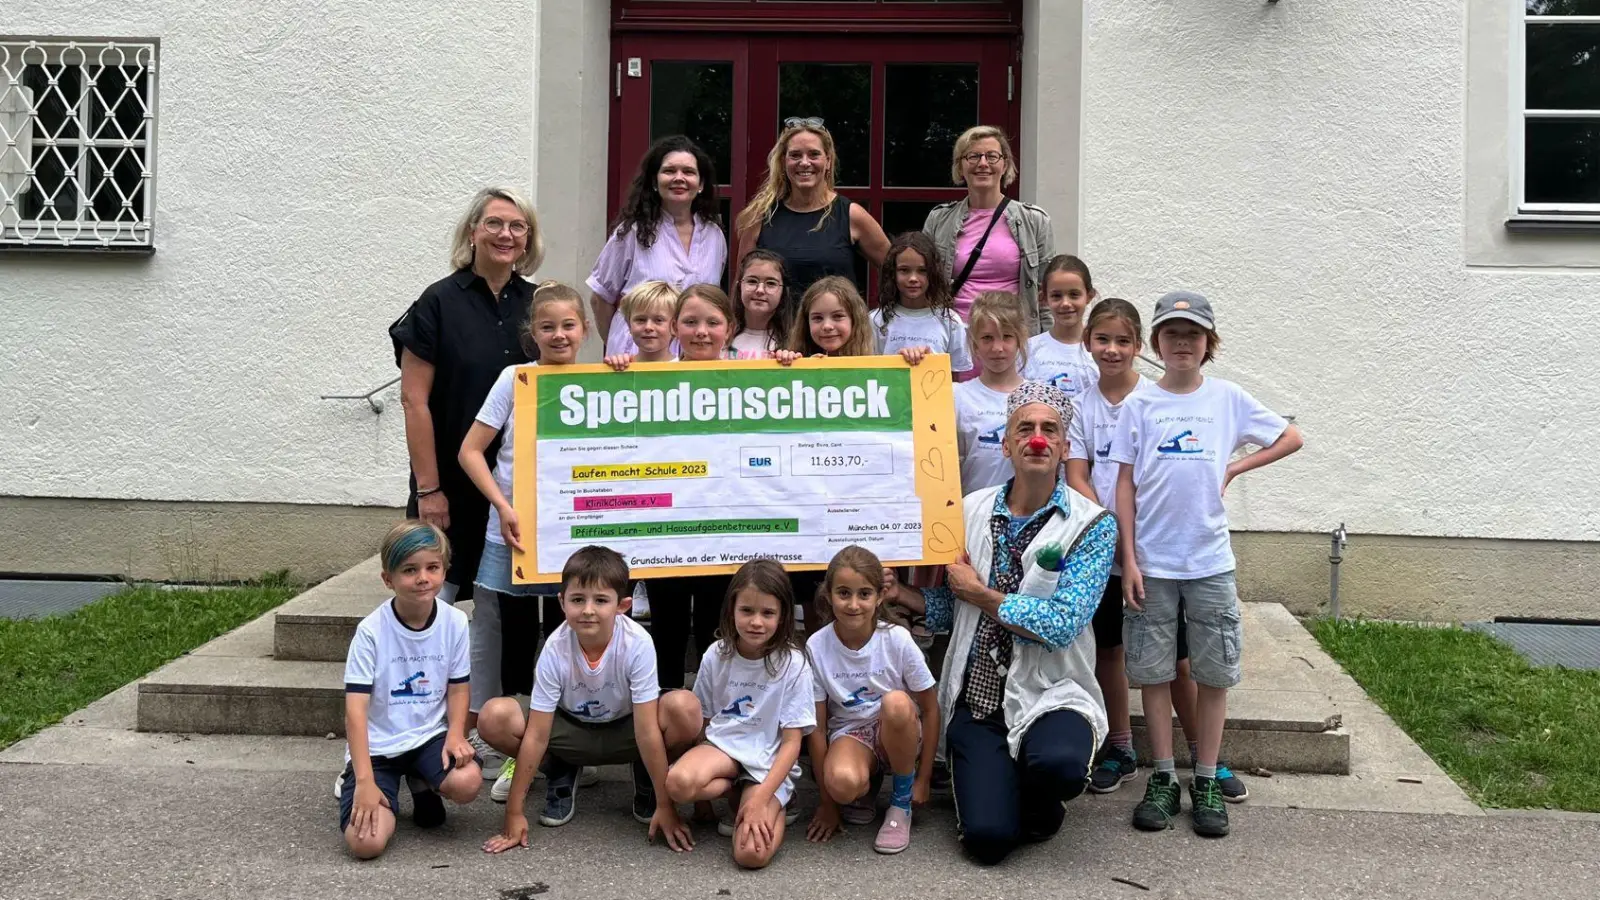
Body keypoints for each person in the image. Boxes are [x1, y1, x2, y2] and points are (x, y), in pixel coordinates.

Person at [884, 381, 1116, 866]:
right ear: (1007, 444)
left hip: (1052, 691)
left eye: (1049, 429)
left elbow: (1060, 624)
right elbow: (955, 610)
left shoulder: (1093, 524)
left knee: (1058, 766)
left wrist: (980, 593)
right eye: (1025, 429)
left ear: (1064, 446)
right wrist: (901, 595)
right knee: (988, 842)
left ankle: (1038, 792)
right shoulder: (967, 510)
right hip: (980, 701)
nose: (1038, 438)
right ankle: (1001, 782)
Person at [1111, 291, 1303, 838]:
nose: (1182, 344)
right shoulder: (1140, 406)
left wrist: (1237, 468)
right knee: (1153, 669)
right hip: (1153, 559)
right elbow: (1124, 482)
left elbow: (1291, 437)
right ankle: (1164, 776)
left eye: (1193, 335)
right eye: (1171, 334)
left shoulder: (1227, 399)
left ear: (1208, 344)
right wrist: (1129, 557)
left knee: (1214, 671)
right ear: (1156, 344)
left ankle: (1205, 777)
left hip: (1209, 560)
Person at [391, 186, 542, 773]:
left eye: (519, 227)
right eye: (496, 224)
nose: (508, 236)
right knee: (432, 606)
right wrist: (429, 489)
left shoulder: (538, 303)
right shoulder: (438, 302)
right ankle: (403, 731)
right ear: (473, 231)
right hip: (448, 488)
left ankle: (489, 732)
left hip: (514, 491)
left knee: (504, 616)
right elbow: (413, 399)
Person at [479, 546, 704, 853]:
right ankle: (560, 770)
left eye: (600, 600)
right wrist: (514, 813)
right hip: (570, 732)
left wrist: (667, 805)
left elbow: (648, 730)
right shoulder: (556, 647)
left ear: (623, 605)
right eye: (577, 599)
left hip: (629, 732)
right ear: (561, 602)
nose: (587, 610)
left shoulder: (637, 643)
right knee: (494, 716)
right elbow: (537, 733)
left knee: (685, 708)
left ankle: (648, 777)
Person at [457, 281, 586, 768]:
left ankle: (562, 752)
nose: (558, 335)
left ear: (584, 330)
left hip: (570, 537)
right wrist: (502, 506)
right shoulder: (515, 378)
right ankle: (516, 748)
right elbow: (470, 451)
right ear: (532, 333)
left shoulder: (599, 378)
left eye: (568, 325)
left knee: (564, 640)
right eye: (547, 327)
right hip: (513, 532)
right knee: (514, 642)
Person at [604, 284, 739, 689]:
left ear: (729, 330)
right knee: (667, 629)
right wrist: (611, 375)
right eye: (691, 322)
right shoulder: (643, 377)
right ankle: (660, 729)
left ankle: (712, 723)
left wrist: (790, 360)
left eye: (712, 323)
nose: (701, 332)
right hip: (665, 533)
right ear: (675, 329)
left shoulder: (751, 377)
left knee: (719, 632)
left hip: (723, 534)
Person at [338, 521, 481, 859]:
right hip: (378, 748)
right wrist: (364, 781)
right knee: (366, 844)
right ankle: (376, 782)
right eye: (409, 570)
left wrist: (456, 734)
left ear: (444, 571)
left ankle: (421, 781)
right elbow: (355, 712)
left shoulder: (455, 621)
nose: (423, 578)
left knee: (468, 782)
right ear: (388, 579)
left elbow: (458, 687)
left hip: (427, 737)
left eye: (433, 567)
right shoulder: (371, 632)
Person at [666, 559, 815, 870]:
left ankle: (774, 802)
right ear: (731, 609)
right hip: (723, 749)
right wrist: (702, 801)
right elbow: (704, 723)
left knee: (751, 854)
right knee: (678, 783)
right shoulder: (716, 654)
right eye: (747, 610)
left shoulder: (794, 663)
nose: (756, 622)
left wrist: (762, 798)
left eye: (767, 613)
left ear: (783, 615)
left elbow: (791, 744)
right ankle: (735, 790)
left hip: (767, 762)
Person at [1063, 298, 1153, 794]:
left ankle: (1206, 758)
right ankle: (1120, 745)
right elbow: (1077, 472)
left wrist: (1132, 536)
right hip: (1101, 544)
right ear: (1088, 343)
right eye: (1103, 340)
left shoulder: (1156, 400)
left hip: (1151, 545)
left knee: (1173, 655)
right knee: (1110, 648)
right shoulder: (1081, 404)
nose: (1112, 350)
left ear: (1138, 346)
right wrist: (1106, 528)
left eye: (1123, 341)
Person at [804, 546, 939, 855]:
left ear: (880, 596)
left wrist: (924, 779)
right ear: (828, 594)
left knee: (896, 702)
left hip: (897, 730)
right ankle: (866, 784)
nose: (853, 605)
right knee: (841, 783)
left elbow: (930, 710)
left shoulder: (897, 638)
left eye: (864, 594)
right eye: (843, 593)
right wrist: (828, 802)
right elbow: (818, 727)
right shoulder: (817, 645)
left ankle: (900, 802)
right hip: (852, 733)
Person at [589, 135, 726, 355]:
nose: (679, 178)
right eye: (669, 171)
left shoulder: (714, 235)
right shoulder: (631, 232)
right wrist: (618, 341)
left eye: (688, 172)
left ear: (700, 184)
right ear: (654, 181)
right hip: (636, 356)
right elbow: (600, 299)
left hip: (694, 355)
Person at [922, 125, 1053, 333]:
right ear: (960, 166)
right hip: (954, 337)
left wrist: (1047, 344)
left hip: (1013, 338)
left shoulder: (1035, 220)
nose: (983, 164)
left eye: (992, 156)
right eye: (973, 156)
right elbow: (924, 285)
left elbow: (1047, 295)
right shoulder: (938, 219)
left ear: (1005, 164)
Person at [737, 120, 889, 297]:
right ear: (783, 162)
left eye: (814, 154)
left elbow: (897, 271)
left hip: (832, 324)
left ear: (828, 161)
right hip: (777, 325)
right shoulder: (760, 217)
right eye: (795, 155)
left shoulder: (851, 215)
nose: (804, 162)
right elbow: (740, 287)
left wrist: (883, 319)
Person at [954, 291, 1030, 493]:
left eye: (1006, 337)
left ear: (1020, 340)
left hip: (1028, 516)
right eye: (987, 338)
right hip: (973, 513)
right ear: (974, 343)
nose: (997, 347)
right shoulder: (958, 396)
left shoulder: (1036, 396)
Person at [870, 232, 972, 375]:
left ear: (933, 273)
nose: (913, 278)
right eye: (904, 270)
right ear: (892, 273)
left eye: (922, 271)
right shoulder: (876, 320)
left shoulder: (950, 321)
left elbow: (954, 377)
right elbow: (868, 372)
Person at [1024, 255, 1100, 398]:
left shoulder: (1101, 352)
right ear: (1044, 298)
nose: (1065, 303)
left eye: (1074, 294)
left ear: (1089, 296)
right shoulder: (1028, 351)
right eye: (1056, 296)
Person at [730, 249, 792, 359]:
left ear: (783, 292)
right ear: (739, 286)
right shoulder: (720, 336)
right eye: (752, 281)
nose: (760, 290)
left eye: (771, 283)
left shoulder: (795, 341)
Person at [619, 279, 680, 364]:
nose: (648, 327)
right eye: (640, 320)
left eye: (658, 320)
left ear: (675, 327)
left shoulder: (685, 369)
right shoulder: (622, 367)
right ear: (629, 324)